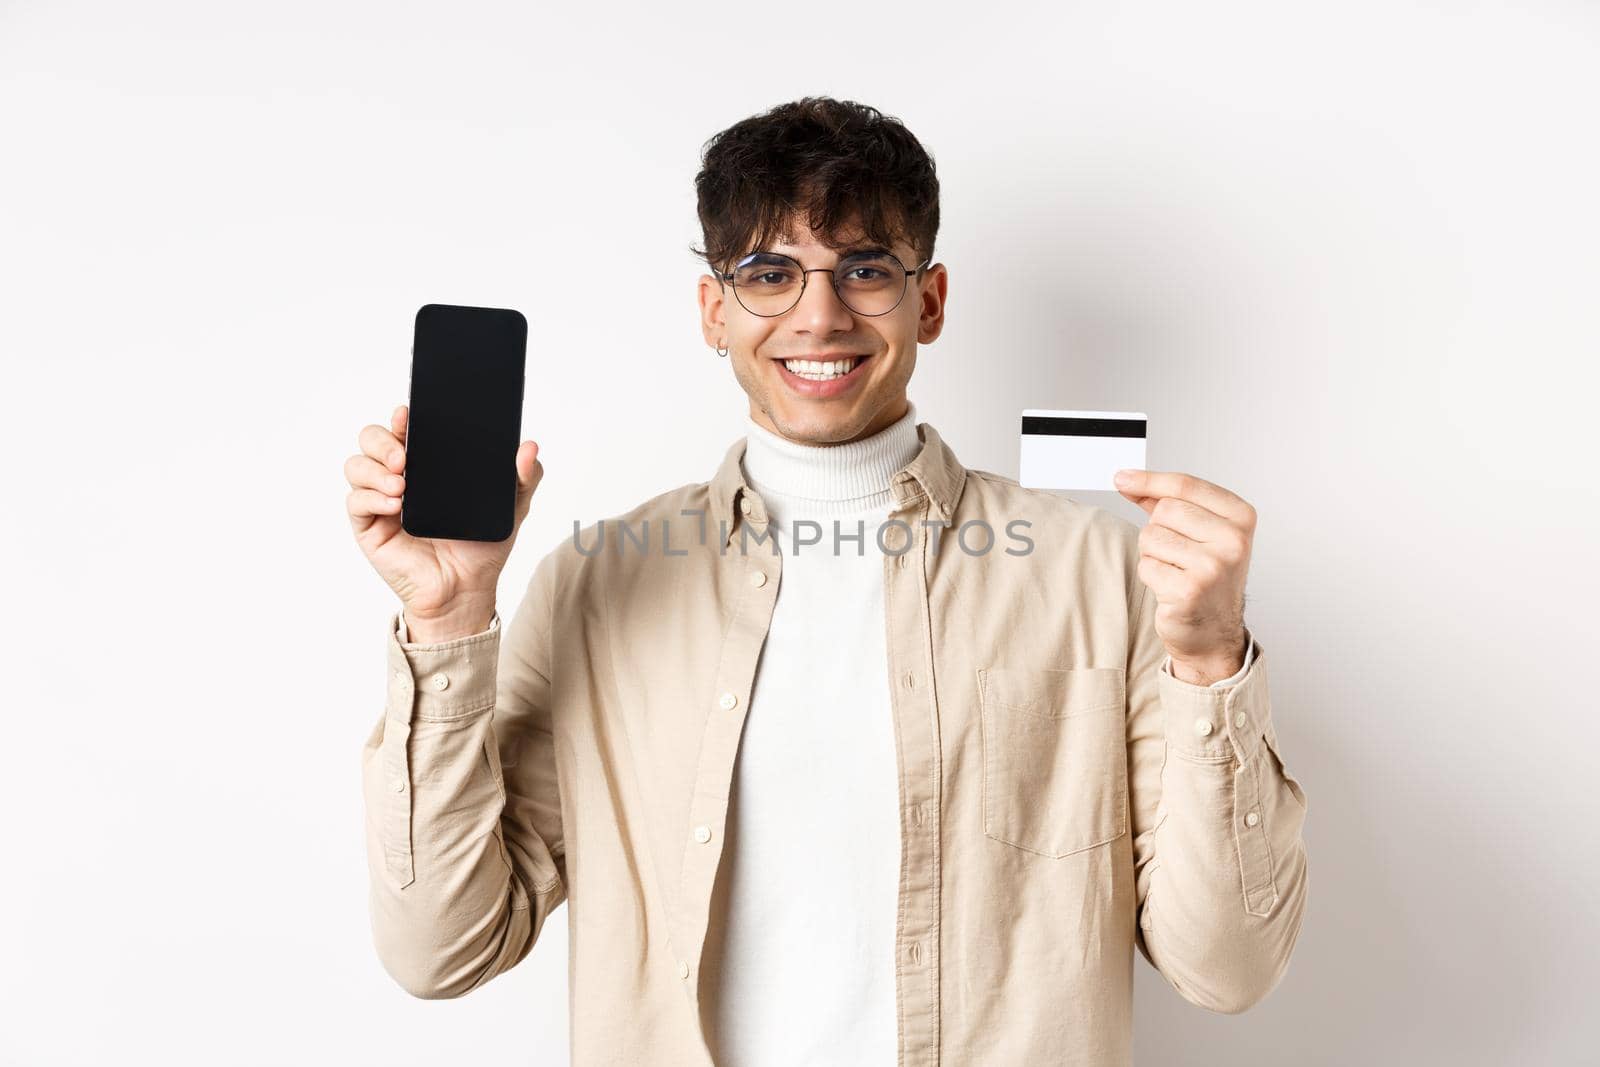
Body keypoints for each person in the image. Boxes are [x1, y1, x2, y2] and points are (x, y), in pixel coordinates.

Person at [344, 96, 1308, 1067]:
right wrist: (449, 615)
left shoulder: (1102, 574)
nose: (819, 313)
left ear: (927, 300)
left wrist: (1210, 661)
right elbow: (443, 948)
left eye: (864, 269)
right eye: (770, 273)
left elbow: (1226, 968)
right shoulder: (597, 585)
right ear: (714, 310)